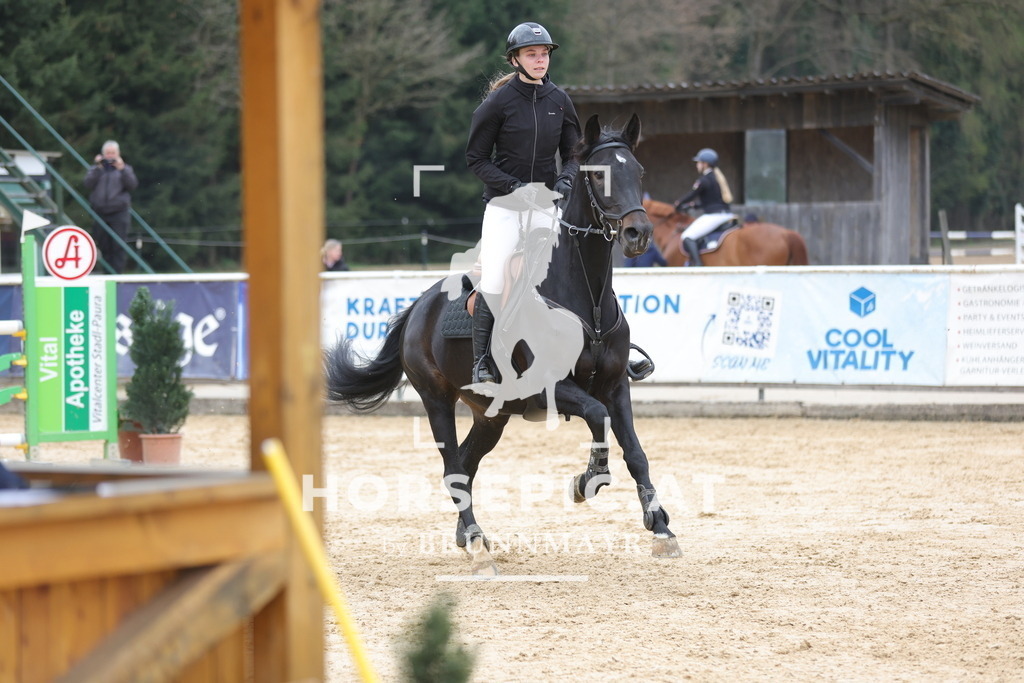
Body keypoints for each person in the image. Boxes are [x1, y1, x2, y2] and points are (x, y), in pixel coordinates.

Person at [465, 22, 581, 385]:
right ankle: (481, 360)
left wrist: (566, 179)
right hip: (504, 207)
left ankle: (607, 351)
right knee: (497, 274)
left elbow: (575, 153)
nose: (540, 59)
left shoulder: (560, 101)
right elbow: (476, 159)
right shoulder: (497, 103)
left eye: (544, 53)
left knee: (570, 272)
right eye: (532, 54)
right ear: (515, 59)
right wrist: (514, 187)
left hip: (546, 207)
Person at [83, 140, 138, 274]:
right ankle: (107, 275)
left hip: (119, 213)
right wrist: (98, 167)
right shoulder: (96, 169)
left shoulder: (125, 169)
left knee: (118, 246)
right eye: (108, 153)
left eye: (113, 153)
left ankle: (117, 276)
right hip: (100, 213)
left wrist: (122, 169)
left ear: (118, 154)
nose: (110, 156)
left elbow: (132, 185)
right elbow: (87, 184)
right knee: (104, 245)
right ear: (103, 155)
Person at [673, 148, 734, 266]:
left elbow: (692, 194)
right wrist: (693, 206)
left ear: (705, 164)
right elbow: (711, 201)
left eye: (699, 162)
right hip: (726, 214)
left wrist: (679, 203)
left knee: (687, 236)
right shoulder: (718, 178)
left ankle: (698, 264)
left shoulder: (704, 180)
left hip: (714, 216)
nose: (697, 165)